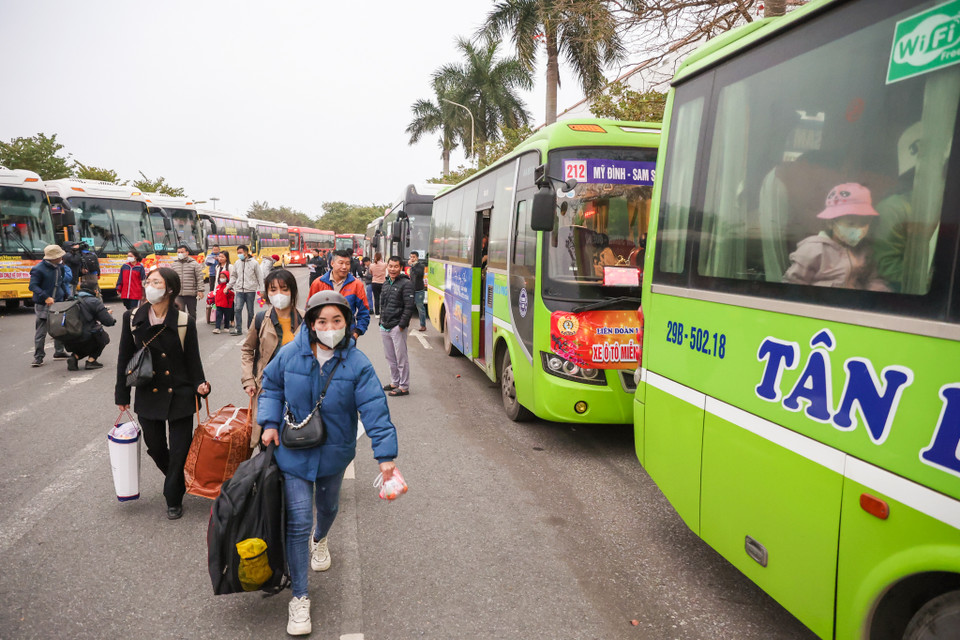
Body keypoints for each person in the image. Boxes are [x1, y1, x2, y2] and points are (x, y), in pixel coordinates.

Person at [258, 291, 400, 636]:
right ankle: (300, 597)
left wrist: (385, 458)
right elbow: (272, 386)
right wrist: (270, 423)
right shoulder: (290, 353)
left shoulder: (358, 364)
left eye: (337, 321)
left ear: (347, 323)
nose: (329, 327)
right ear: (311, 324)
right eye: (322, 321)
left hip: (334, 453)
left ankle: (320, 540)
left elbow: (375, 412)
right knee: (299, 520)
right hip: (293, 451)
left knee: (328, 507)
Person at [114, 267, 211, 519]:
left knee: (180, 449)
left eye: (156, 282)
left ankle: (173, 497)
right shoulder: (132, 317)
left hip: (180, 393)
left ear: (169, 289)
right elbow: (124, 357)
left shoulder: (183, 321)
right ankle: (178, 480)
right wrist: (122, 396)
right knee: (156, 447)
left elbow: (193, 359)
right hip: (148, 393)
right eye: (149, 281)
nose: (150, 285)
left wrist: (201, 384)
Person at [783, 183, 890, 291]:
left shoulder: (864, 250)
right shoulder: (813, 250)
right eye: (851, 224)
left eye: (863, 224)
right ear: (830, 222)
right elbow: (792, 285)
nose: (858, 229)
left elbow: (872, 279)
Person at [240, 269, 303, 448]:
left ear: (292, 291)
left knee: (295, 442)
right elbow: (247, 350)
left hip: (298, 392)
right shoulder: (261, 319)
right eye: (273, 289)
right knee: (267, 445)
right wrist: (248, 380)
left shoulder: (305, 319)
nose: (279, 294)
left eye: (284, 289)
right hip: (266, 391)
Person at [307, 249, 370, 341]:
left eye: (347, 264)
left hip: (346, 336)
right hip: (321, 335)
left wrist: (356, 333)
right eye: (341, 263)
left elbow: (364, 312)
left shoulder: (356, 285)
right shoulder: (318, 283)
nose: (344, 267)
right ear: (332, 263)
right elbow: (309, 310)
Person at [28, 244, 71, 367]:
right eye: (59, 256)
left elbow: (61, 282)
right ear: (52, 258)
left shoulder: (60, 267)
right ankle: (38, 357)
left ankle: (59, 352)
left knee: (59, 327)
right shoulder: (38, 269)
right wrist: (45, 297)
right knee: (41, 331)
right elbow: (33, 286)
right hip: (43, 304)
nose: (61, 257)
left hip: (58, 302)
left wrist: (68, 295)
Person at [378, 256, 415, 396]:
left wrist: (402, 325)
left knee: (401, 358)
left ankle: (404, 386)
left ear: (400, 268)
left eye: (395, 266)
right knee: (390, 357)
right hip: (385, 325)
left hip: (396, 326)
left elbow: (409, 306)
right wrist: (381, 321)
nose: (392, 269)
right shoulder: (386, 283)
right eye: (390, 266)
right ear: (387, 266)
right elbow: (383, 303)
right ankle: (395, 382)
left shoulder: (406, 283)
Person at [64, 275, 116, 371]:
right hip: (86, 337)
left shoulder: (71, 299)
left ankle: (74, 357)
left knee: (85, 338)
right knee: (104, 338)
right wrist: (107, 314)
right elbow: (108, 322)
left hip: (69, 337)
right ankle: (91, 361)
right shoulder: (94, 301)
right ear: (95, 290)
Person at [227, 244, 263, 335]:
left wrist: (262, 290)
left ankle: (251, 330)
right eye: (238, 253)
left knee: (250, 311)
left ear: (246, 252)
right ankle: (238, 329)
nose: (239, 254)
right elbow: (234, 276)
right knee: (237, 309)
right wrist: (228, 286)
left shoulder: (254, 263)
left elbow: (259, 277)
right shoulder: (237, 263)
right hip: (239, 290)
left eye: (241, 252)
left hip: (250, 290)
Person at [170, 244, 205, 320]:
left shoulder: (194, 264)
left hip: (191, 294)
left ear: (187, 253)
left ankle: (191, 330)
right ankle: (182, 330)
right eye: (178, 252)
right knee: (180, 313)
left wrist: (200, 290)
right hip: (178, 294)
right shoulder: (174, 264)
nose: (180, 254)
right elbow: (171, 278)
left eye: (182, 252)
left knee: (192, 313)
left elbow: (199, 278)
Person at [407, 251, 427, 331]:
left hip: (419, 290)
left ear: (417, 258)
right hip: (411, 290)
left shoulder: (420, 266)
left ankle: (423, 325)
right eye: (411, 257)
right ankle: (405, 324)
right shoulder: (412, 267)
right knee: (408, 308)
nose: (412, 258)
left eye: (414, 257)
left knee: (420, 308)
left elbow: (419, 273)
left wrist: (412, 265)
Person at [212, 269, 235, 334]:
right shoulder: (218, 286)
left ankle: (226, 327)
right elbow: (216, 294)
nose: (221, 279)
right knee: (218, 316)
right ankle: (217, 328)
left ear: (227, 278)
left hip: (227, 305)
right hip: (219, 305)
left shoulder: (228, 287)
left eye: (223, 277)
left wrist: (227, 292)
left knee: (227, 316)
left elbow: (232, 294)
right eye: (220, 277)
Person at [369, 252, 387, 317]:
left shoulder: (371, 265)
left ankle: (377, 313)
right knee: (383, 298)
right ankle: (383, 312)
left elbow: (370, 272)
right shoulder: (384, 265)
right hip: (382, 283)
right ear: (381, 257)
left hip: (374, 283)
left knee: (376, 298)